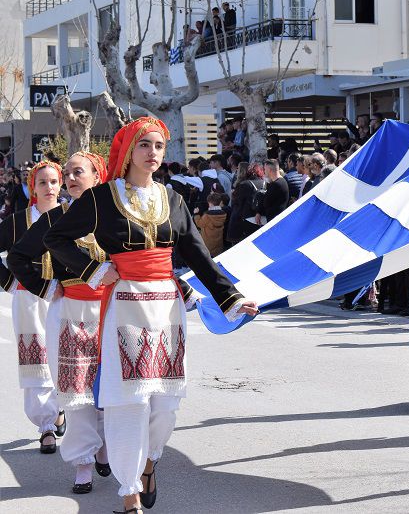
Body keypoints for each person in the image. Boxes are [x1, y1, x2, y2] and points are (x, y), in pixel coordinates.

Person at [43, 117, 258, 514]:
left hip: (167, 311)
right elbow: (55, 238)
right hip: (123, 306)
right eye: (145, 145)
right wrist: (93, 270)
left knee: (164, 406)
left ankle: (148, 460)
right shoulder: (102, 198)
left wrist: (230, 298)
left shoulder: (173, 198)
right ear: (128, 151)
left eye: (159, 146)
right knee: (129, 402)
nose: (154, 153)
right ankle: (129, 492)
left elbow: (196, 253)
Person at [8, 152, 111, 493]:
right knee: (74, 389)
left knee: (109, 386)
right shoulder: (55, 219)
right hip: (68, 312)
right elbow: (19, 256)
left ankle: (106, 446)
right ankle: (82, 462)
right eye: (65, 174)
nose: (67, 179)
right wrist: (45, 287)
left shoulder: (114, 214)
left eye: (75, 173)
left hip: (112, 313)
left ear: (98, 176)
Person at [0, 160, 65, 454]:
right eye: (42, 182)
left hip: (67, 297)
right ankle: (46, 426)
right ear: (32, 187)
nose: (49, 187)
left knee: (65, 355)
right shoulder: (16, 221)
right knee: (36, 358)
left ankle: (62, 407)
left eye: (53, 181)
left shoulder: (73, 216)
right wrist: (8, 283)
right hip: (29, 299)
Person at [253, 158, 289, 225]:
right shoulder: (281, 181)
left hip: (275, 222)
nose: (264, 171)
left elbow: (266, 202)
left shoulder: (277, 184)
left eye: (265, 169)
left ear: (269, 170)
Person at [193, 192, 227, 257]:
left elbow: (199, 224)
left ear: (210, 203)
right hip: (218, 243)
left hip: (208, 243)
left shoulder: (207, 216)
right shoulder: (223, 214)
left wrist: (196, 214)